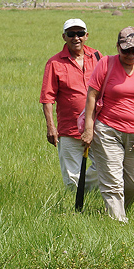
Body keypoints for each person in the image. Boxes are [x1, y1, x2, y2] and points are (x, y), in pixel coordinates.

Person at [81, 27, 134, 223]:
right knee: (113, 182)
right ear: (118, 47)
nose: (131, 55)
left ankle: (118, 210)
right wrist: (89, 129)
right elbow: (91, 96)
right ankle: (118, 224)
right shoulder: (106, 64)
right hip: (107, 130)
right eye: (126, 50)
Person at [40, 18, 101, 191]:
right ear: (64, 37)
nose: (76, 38)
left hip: (97, 125)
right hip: (68, 128)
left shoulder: (97, 57)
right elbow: (47, 97)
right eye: (71, 34)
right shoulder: (54, 63)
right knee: (72, 178)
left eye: (80, 33)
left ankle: (87, 195)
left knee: (104, 168)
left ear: (86, 36)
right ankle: (78, 209)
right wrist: (51, 127)